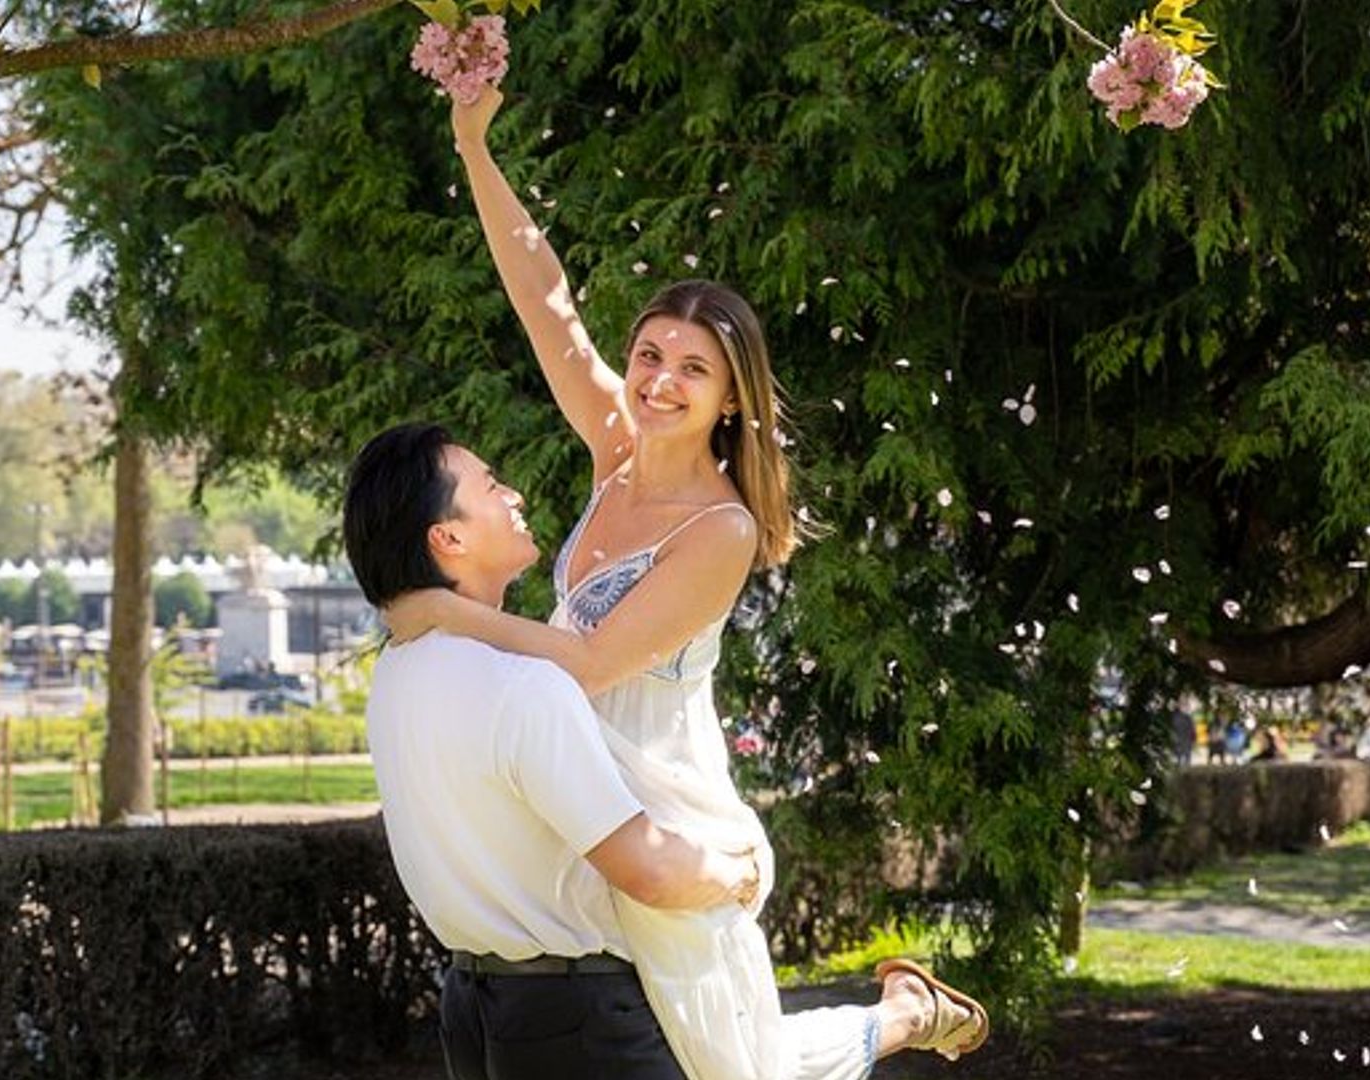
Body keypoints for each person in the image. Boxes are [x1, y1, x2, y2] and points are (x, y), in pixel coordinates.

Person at [381, 84, 988, 1078]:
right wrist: (472, 147)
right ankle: (900, 1016)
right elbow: (547, 304)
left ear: (730, 397)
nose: (658, 380)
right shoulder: (614, 447)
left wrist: (441, 609)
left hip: (666, 811)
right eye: (650, 355)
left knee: (736, 1072)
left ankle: (900, 1019)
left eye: (691, 369)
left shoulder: (723, 531)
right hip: (579, 789)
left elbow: (585, 660)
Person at [345, 424, 985, 1080]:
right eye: (488, 485)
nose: (512, 493)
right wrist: (739, 873)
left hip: (473, 1013)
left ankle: (903, 1017)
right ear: (447, 538)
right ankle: (903, 1018)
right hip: (581, 1020)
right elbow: (648, 869)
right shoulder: (526, 687)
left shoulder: (395, 678)